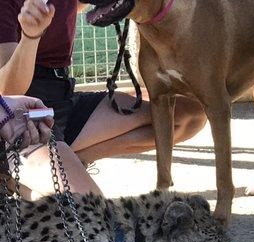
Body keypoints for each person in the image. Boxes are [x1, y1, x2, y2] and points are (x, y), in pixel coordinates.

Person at [0, 0, 206, 199]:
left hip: (62, 97)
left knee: (188, 115)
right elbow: (8, 90)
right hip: (23, 113)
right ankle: (14, 174)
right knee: (87, 209)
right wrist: (30, 36)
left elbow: (80, 4)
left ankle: (71, 161)